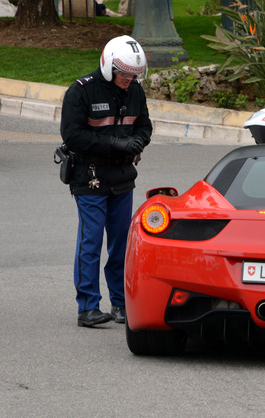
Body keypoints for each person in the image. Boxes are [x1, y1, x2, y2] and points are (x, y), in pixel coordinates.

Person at [60, 35, 153, 328]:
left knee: (122, 242)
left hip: (123, 177)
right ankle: (87, 307)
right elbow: (72, 135)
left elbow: (144, 125)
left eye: (133, 74)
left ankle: (120, 303)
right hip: (90, 176)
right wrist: (115, 144)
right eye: (124, 73)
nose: (128, 79)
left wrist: (138, 141)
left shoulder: (135, 91)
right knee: (91, 241)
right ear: (108, 65)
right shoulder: (81, 91)